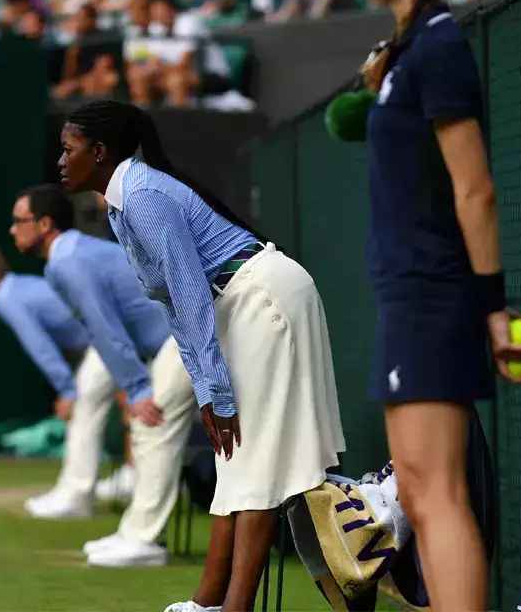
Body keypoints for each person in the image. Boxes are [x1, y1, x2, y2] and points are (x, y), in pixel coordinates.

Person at [56, 100, 346, 612]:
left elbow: (189, 294)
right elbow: (177, 303)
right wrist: (206, 385)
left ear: (99, 152)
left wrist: (214, 391)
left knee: (255, 458)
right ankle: (209, 602)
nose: (60, 160)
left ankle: (233, 607)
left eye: (68, 149)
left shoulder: (141, 195)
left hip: (263, 297)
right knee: (236, 456)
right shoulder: (126, 199)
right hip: (242, 300)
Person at [334, 0, 521, 610]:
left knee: (440, 493)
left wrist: (491, 308)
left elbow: (475, 189)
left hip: (434, 293)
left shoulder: (442, 47)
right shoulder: (407, 53)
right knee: (418, 492)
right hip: (408, 292)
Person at [12, 184, 196, 568]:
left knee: (153, 424)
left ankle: (146, 540)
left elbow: (105, 328)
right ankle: (136, 532)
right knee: (148, 428)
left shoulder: (68, 260)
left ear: (44, 224)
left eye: (19, 222)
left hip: (182, 334)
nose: (13, 230)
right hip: (169, 338)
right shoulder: (68, 256)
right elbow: (104, 331)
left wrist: (136, 386)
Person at [0, 242, 132, 518]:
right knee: (97, 404)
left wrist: (66, 390)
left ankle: (77, 496)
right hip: (109, 334)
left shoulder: (7, 297)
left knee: (84, 403)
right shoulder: (17, 288)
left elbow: (41, 349)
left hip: (108, 334)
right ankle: (80, 490)